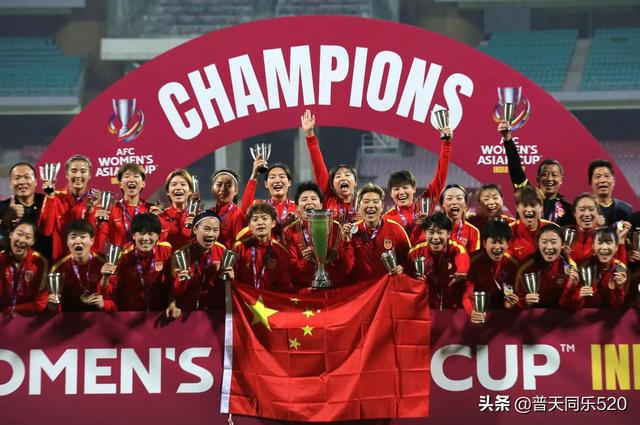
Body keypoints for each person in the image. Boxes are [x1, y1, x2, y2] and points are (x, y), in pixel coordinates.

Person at [384, 127, 452, 242]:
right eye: (396, 189)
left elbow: (440, 176)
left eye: (405, 187)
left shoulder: (424, 205)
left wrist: (446, 144)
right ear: (390, 193)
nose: (401, 192)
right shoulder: (387, 219)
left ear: (414, 189)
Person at [499, 120, 574, 226]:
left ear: (561, 179)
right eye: (545, 174)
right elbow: (516, 168)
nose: (549, 179)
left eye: (554, 175)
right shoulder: (527, 194)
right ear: (538, 178)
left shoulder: (568, 209)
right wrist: (507, 139)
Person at [283, 181, 354, 288]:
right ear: (297, 207)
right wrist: (305, 260)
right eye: (304, 199)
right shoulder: (290, 231)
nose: (309, 202)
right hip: (306, 290)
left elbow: (347, 268)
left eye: (313, 198)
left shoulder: (335, 227)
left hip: (334, 289)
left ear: (321, 205)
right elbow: (291, 272)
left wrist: (338, 254)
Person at [104, 213, 175, 314]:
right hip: (129, 315)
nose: (146, 238)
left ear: (158, 236)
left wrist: (172, 303)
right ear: (133, 235)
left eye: (150, 233)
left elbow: (171, 282)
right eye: (141, 233)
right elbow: (112, 288)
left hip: (158, 313)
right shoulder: (124, 257)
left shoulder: (165, 250)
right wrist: (104, 278)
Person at [344, 183, 409, 282]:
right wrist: (346, 243)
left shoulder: (396, 229)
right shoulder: (351, 232)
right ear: (359, 206)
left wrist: (404, 268)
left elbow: (409, 260)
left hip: (386, 288)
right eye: (366, 201)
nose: (371, 206)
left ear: (382, 206)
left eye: (375, 201)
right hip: (361, 289)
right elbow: (346, 269)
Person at [38, 155, 98, 261]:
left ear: (89, 175)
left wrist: (91, 211)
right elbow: (46, 231)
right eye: (74, 171)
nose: (78, 175)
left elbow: (95, 238)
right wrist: (50, 196)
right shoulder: (55, 197)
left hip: (87, 263)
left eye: (83, 171)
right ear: (66, 174)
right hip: (61, 262)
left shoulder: (95, 201)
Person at [301, 109, 357, 223]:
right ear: (332, 185)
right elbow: (318, 166)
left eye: (347, 174)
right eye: (338, 176)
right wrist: (310, 134)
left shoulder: (363, 201)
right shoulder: (328, 198)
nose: (343, 177)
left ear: (355, 182)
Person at [407, 212, 470, 310]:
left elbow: (462, 255)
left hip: (452, 308)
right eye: (431, 232)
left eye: (440, 233)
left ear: (448, 234)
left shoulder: (455, 247)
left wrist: (461, 270)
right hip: (425, 307)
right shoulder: (416, 252)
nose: (435, 237)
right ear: (424, 233)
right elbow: (407, 273)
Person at [48, 219, 113, 312]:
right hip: (69, 316)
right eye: (73, 237)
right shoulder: (58, 267)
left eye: (83, 237)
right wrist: (53, 306)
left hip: (99, 315)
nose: (78, 241)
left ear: (92, 240)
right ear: (67, 242)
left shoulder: (105, 263)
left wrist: (103, 304)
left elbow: (114, 300)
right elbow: (55, 303)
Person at [173, 211, 232, 311]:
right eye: (206, 229)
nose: (211, 234)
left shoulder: (223, 252)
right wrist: (180, 282)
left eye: (215, 230)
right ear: (195, 229)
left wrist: (230, 280)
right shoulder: (181, 254)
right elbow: (173, 291)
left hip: (212, 312)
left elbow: (224, 289)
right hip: (186, 311)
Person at [463, 219, 520, 323]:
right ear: (484, 243)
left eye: (501, 242)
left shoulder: (514, 263)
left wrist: (512, 304)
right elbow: (467, 293)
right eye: (493, 242)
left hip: (505, 317)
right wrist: (472, 312)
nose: (497, 247)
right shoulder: (471, 261)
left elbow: (519, 294)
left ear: (508, 244)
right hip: (479, 313)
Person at [514, 224, 579, 309]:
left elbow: (571, 306)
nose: (549, 247)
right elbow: (515, 303)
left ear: (563, 244)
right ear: (537, 244)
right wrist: (525, 302)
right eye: (544, 242)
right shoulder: (526, 267)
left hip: (559, 313)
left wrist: (571, 288)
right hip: (533, 314)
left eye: (553, 242)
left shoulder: (571, 267)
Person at [95, 163, 155, 252]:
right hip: (119, 259)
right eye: (127, 176)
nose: (131, 180)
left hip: (145, 259)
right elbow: (99, 244)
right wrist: (98, 224)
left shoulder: (150, 210)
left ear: (143, 184)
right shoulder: (111, 211)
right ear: (120, 184)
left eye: (136, 176)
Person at [232, 203, 292, 291]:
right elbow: (232, 280)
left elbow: (284, 287)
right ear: (249, 226)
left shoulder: (281, 252)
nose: (260, 223)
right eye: (255, 219)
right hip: (244, 298)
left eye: (264, 218)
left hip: (269, 299)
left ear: (273, 223)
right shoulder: (239, 248)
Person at [236, 159, 297, 241]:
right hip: (267, 248)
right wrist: (254, 177)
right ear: (266, 184)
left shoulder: (297, 207)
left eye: (282, 176)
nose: (277, 180)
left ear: (289, 182)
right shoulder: (260, 206)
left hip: (291, 249)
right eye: (272, 177)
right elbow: (245, 211)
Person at [0, 162, 50, 258]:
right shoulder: (3, 208)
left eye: (27, 177)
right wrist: (6, 221)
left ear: (36, 182)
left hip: (45, 261)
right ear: (10, 183)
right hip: (11, 263)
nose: (22, 182)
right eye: (17, 178)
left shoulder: (47, 203)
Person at [569, 228, 627, 309]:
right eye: (600, 243)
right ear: (593, 246)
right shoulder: (584, 268)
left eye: (609, 243)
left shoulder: (620, 269)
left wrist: (619, 289)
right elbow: (571, 306)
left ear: (616, 247)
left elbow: (617, 307)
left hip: (609, 315)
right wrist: (579, 296)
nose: (604, 247)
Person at [565, 193, 628, 266]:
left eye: (591, 209)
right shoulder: (565, 235)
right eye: (582, 210)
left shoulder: (607, 236)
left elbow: (620, 268)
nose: (587, 214)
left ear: (597, 212)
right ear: (574, 213)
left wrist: (621, 241)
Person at [0, 222, 48, 316]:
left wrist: (14, 309)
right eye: (19, 234)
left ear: (33, 241)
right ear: (10, 235)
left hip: (27, 319)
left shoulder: (40, 262)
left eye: (28, 237)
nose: (22, 240)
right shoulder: (1, 259)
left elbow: (40, 304)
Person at [507, 186, 552, 262]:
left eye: (533, 205)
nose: (529, 210)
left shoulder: (551, 229)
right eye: (525, 205)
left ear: (541, 207)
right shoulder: (508, 232)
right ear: (517, 207)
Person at [210, 169, 253, 248]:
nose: (222, 189)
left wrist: (254, 177)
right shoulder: (208, 214)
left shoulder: (238, 214)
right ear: (212, 188)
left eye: (228, 185)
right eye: (219, 185)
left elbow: (247, 207)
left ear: (236, 190)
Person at [158, 169, 196, 250]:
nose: (178, 188)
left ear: (190, 191)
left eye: (183, 184)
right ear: (168, 191)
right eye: (174, 184)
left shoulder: (198, 218)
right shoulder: (160, 218)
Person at [588, 159, 632, 226]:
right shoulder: (584, 210)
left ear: (614, 181)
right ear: (590, 182)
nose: (602, 180)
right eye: (598, 177)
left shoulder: (626, 209)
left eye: (607, 176)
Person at [439, 184, 480, 253]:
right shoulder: (434, 228)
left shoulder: (473, 231)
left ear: (465, 204)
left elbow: (474, 257)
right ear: (442, 204)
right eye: (449, 198)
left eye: (459, 198)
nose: (454, 202)